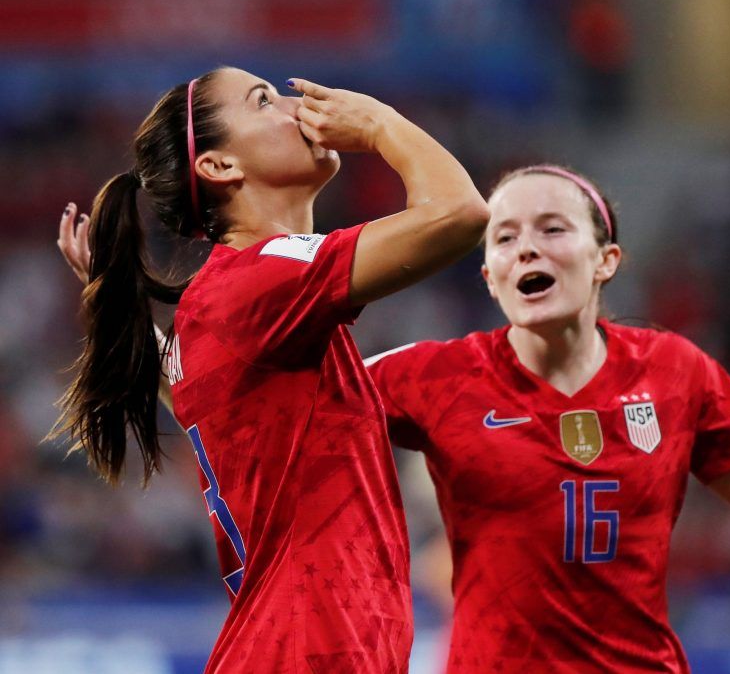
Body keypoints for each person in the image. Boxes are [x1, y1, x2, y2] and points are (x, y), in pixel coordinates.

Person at [61, 164, 730, 673]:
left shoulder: (674, 373)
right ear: (488, 275)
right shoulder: (430, 377)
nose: (525, 246)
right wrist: (135, 311)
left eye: (555, 229)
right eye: (505, 235)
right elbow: (258, 392)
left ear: (606, 262)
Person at [52, 67, 489, 674]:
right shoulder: (264, 279)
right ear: (220, 167)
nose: (297, 106)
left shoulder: (224, 304)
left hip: (290, 645)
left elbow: (206, 403)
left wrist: (121, 306)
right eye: (265, 101)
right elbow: (460, 214)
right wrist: (379, 123)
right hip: (312, 647)